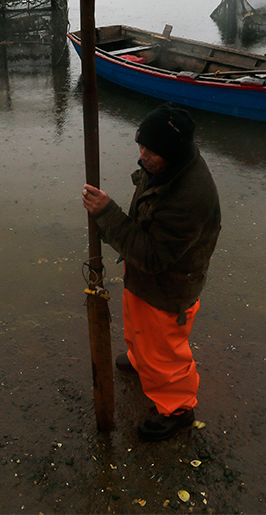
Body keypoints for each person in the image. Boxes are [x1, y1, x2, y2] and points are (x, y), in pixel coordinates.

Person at [81, 103, 221, 441]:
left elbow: (154, 256)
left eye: (150, 151)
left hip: (168, 287)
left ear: (170, 152)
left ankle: (178, 410)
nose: (142, 156)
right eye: (140, 146)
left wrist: (107, 215)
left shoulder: (191, 196)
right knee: (137, 326)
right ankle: (140, 357)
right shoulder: (166, 164)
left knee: (165, 353)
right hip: (143, 278)